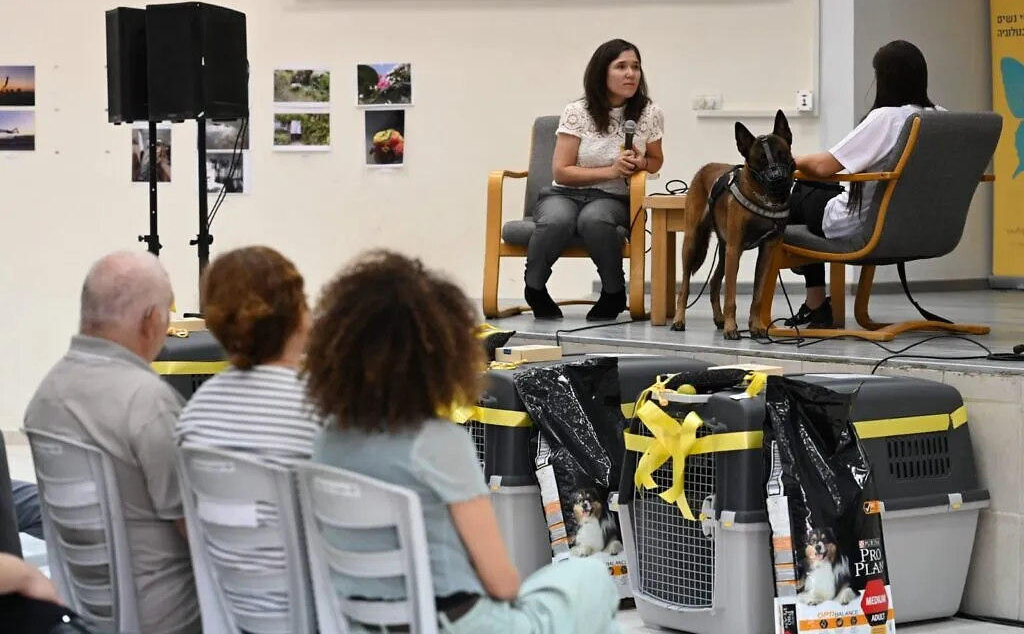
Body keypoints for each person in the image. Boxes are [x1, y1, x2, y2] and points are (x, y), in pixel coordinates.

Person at [303, 250, 621, 634]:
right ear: (441, 351)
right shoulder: (438, 442)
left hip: (360, 623)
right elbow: (502, 583)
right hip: (456, 624)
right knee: (591, 579)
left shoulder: (326, 439)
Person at [23, 250, 200, 634]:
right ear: (152, 320)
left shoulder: (45, 398)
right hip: (172, 618)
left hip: (87, 612)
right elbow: (201, 534)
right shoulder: (147, 402)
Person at [176, 245, 319, 621]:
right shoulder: (319, 410)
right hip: (315, 613)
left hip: (234, 612)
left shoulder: (193, 415)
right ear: (297, 317)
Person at [784, 39, 941, 329]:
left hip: (860, 224)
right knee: (824, 190)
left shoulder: (887, 118)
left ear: (885, 79)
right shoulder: (940, 117)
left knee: (796, 192)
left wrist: (794, 160)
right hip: (920, 228)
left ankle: (814, 299)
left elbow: (823, 166)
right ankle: (813, 297)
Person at [525, 38, 664, 322]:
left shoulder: (649, 113)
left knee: (594, 220)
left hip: (613, 198)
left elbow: (656, 160)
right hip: (564, 193)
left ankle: (613, 292)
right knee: (556, 220)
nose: (631, 74)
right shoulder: (577, 112)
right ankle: (534, 288)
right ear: (602, 72)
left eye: (635, 67)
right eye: (621, 66)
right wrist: (612, 170)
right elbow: (561, 171)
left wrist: (641, 163)